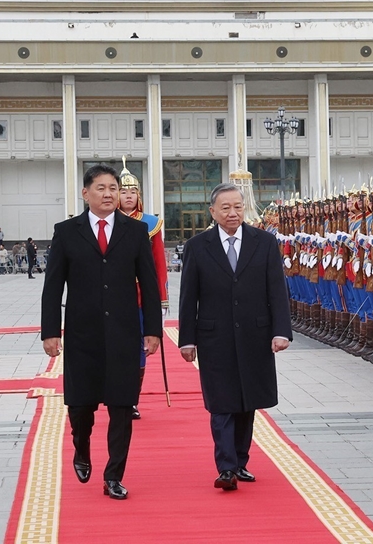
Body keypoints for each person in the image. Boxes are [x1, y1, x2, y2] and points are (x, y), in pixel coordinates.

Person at [41, 164, 162, 501]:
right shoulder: (66, 232)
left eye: (113, 188)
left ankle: (114, 476)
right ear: (85, 193)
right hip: (83, 335)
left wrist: (152, 329)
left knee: (122, 407)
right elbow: (52, 287)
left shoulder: (135, 232)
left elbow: (149, 286)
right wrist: (50, 331)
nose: (109, 194)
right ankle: (81, 448)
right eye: (101, 188)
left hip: (124, 334)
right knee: (80, 407)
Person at [178, 182, 292, 491]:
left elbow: (277, 292)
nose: (232, 213)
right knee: (222, 403)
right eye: (225, 208)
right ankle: (226, 467)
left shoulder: (265, 243)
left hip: (255, 335)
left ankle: (241, 461)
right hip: (215, 337)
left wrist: (281, 331)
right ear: (212, 211)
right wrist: (187, 339)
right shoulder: (198, 247)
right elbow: (189, 297)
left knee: (247, 402)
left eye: (238, 207)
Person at [117, 160, 169, 420]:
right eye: (124, 192)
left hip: (139, 295)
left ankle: (132, 399)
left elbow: (159, 262)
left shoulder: (151, 223)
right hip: (114, 296)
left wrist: (161, 297)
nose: (128, 196)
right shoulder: (107, 221)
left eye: (132, 192)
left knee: (140, 347)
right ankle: (117, 395)